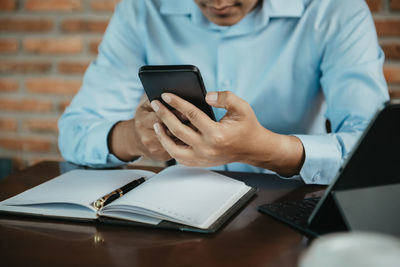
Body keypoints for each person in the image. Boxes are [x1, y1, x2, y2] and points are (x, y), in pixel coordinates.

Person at [58, 0, 389, 185]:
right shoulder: (142, 9)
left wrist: (265, 149)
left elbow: (376, 151)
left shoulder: (335, 9)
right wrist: (135, 138)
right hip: (174, 209)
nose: (218, 3)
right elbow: (74, 132)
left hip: (291, 203)